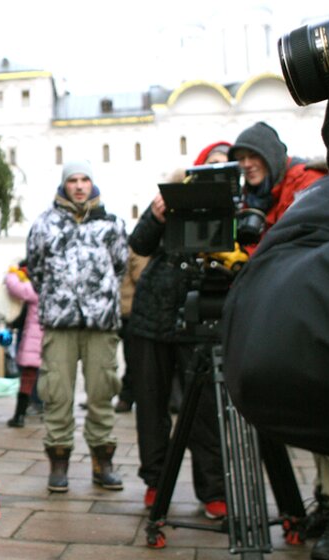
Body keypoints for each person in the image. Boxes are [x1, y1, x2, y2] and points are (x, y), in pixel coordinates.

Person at [223, 51, 329, 560]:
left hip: (321, 308)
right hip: (281, 310)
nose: (247, 170)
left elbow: (310, 246)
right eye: (242, 165)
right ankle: (328, 505)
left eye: (254, 162)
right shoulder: (250, 202)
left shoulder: (308, 187)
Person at [127, 141, 232, 520]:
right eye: (212, 165)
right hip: (152, 316)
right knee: (152, 405)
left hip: (200, 317)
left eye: (226, 165)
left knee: (205, 409)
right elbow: (139, 244)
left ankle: (213, 489)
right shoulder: (171, 200)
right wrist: (155, 216)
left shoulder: (238, 207)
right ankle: (157, 482)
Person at [26, 160, 128, 493]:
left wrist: (100, 297)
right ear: (64, 185)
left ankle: (103, 462)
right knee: (57, 393)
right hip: (60, 321)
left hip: (101, 322)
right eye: (73, 180)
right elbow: (36, 270)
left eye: (85, 179)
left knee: (102, 391)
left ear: (92, 183)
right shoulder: (44, 224)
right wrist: (60, 298)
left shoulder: (111, 224)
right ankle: (59, 462)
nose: (80, 186)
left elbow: (119, 266)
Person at [227, 121, 327, 250]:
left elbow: (298, 243)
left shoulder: (305, 181)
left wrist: (248, 258)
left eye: (253, 156)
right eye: (240, 158)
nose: (246, 164)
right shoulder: (251, 195)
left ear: (271, 156)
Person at [4, 259, 42, 428]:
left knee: (27, 378)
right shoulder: (53, 287)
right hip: (52, 341)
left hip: (35, 341)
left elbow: (15, 287)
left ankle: (19, 416)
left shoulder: (36, 289)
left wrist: (13, 273)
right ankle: (47, 410)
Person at [113, 247, 149, 414]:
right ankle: (125, 397)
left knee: (108, 360)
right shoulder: (138, 250)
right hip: (130, 311)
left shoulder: (121, 247)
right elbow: (141, 276)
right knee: (133, 360)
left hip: (114, 310)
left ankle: (108, 396)